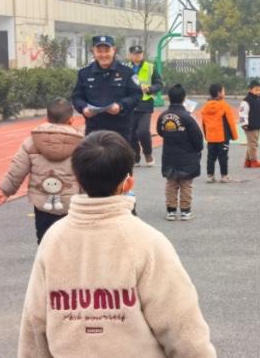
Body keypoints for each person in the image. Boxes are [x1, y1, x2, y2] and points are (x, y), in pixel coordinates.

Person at [17, 131, 216, 357]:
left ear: (78, 181)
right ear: (128, 183)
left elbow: (34, 321)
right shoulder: (147, 241)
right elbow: (182, 327)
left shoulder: (54, 238)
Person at [0, 98, 83, 244]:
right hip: (72, 204)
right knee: (71, 243)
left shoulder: (31, 142)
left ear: (46, 119)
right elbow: (89, 173)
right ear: (71, 120)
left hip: (43, 204)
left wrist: (5, 191)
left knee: (44, 241)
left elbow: (17, 168)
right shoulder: (82, 143)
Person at [72, 35, 142, 142]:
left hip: (120, 130)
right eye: (99, 51)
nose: (103, 55)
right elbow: (77, 97)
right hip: (94, 130)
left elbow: (136, 95)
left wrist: (120, 106)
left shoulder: (127, 72)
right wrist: (83, 108)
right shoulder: (84, 73)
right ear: (93, 51)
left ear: (114, 50)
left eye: (107, 51)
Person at [157, 84, 204, 221]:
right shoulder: (188, 117)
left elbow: (160, 131)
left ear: (168, 98)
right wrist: (198, 149)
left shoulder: (163, 116)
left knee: (171, 184)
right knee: (186, 184)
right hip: (187, 156)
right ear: (184, 98)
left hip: (169, 155)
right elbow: (197, 137)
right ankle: (185, 211)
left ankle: (171, 211)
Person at [128, 44, 163, 166]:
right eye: (135, 53)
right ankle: (135, 156)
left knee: (143, 131)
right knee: (130, 133)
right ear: (130, 55)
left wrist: (150, 89)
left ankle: (147, 153)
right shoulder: (125, 68)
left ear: (142, 54)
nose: (137, 55)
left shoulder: (150, 67)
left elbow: (159, 84)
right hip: (130, 104)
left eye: (139, 53)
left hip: (145, 104)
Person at [201, 83, 238, 183]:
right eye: (223, 91)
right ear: (219, 93)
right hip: (223, 137)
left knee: (210, 157)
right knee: (223, 157)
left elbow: (203, 123)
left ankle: (210, 176)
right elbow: (231, 123)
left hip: (211, 138)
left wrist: (206, 136)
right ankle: (224, 176)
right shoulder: (224, 106)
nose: (224, 92)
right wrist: (234, 136)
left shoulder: (205, 107)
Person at [239, 80, 260, 168]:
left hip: (257, 124)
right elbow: (243, 113)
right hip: (250, 126)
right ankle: (253, 161)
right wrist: (244, 124)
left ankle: (247, 161)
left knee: (252, 143)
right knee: (253, 144)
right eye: (256, 90)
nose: (258, 92)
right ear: (250, 90)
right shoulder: (246, 101)